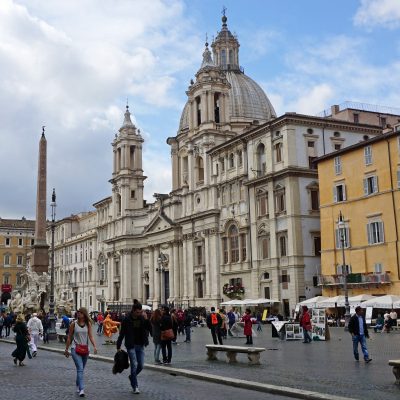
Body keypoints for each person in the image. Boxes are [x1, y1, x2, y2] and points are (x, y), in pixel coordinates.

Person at [116, 303, 152, 394]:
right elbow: (122, 333)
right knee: (134, 364)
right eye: (137, 312)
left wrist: (147, 319)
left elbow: (149, 328)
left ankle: (132, 376)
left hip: (141, 344)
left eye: (140, 312)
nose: (138, 314)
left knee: (141, 365)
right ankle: (135, 386)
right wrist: (118, 345)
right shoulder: (127, 319)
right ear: (133, 310)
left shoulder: (142, 318)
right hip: (131, 345)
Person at [64, 307, 98, 397]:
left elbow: (91, 336)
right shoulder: (73, 324)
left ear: (84, 314)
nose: (78, 314)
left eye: (80, 312)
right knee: (80, 368)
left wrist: (94, 346)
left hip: (85, 349)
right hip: (75, 349)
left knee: (81, 369)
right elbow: (69, 337)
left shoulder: (88, 324)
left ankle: (78, 384)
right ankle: (82, 389)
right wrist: (66, 349)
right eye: (78, 312)